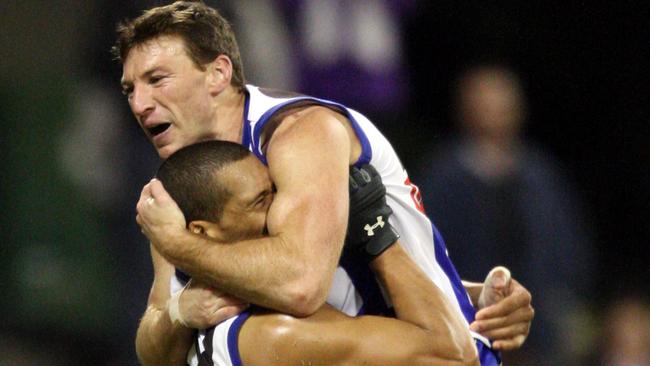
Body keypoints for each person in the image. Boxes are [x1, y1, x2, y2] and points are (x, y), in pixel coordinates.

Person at [112, 0, 533, 363]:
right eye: (130, 88)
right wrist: (181, 311)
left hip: (434, 351)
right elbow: (154, 345)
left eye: (157, 79)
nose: (140, 104)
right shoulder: (185, 181)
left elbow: (302, 285)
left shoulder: (301, 133)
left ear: (218, 74)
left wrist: (180, 244)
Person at [151, 139, 490, 365]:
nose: (282, 209)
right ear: (201, 232)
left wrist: (475, 294)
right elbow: (453, 354)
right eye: (260, 202)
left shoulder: (205, 301)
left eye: (276, 191)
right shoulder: (272, 334)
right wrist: (378, 237)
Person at [414, 64, 593, 365]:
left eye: (503, 105)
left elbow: (569, 248)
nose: (495, 114)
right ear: (465, 109)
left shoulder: (539, 175)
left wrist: (559, 303)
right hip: (466, 331)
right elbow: (424, 252)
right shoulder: (444, 178)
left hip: (540, 334)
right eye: (484, 105)